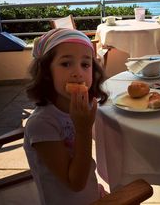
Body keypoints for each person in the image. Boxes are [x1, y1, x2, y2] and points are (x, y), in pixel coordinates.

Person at [24, 28, 108, 205]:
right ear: (46, 72)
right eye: (66, 64)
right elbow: (75, 184)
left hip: (89, 191)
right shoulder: (41, 124)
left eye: (85, 65)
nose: (78, 73)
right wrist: (83, 130)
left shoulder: (80, 108)